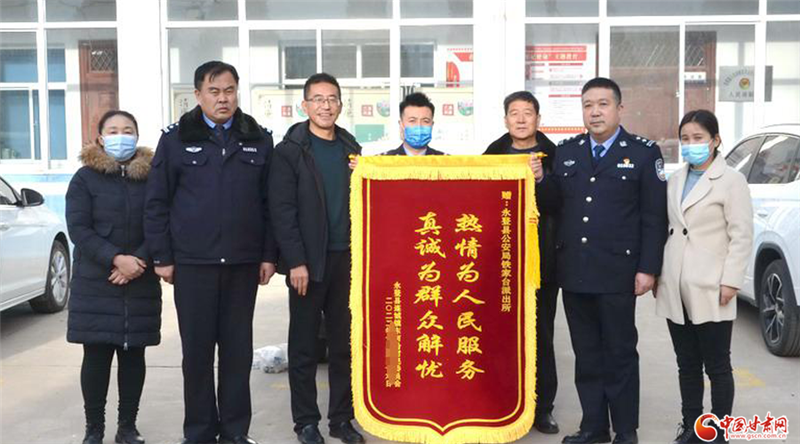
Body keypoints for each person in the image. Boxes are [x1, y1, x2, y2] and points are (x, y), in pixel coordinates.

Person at [144, 61, 277, 444]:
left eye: (229, 90)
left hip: (242, 263)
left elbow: (270, 203)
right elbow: (157, 203)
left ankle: (235, 432)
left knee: (237, 353)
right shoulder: (175, 140)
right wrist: (162, 257)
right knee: (198, 354)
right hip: (193, 264)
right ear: (198, 95)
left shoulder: (258, 138)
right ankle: (200, 432)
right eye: (214, 91)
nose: (223, 99)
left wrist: (268, 255)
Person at [538, 77, 668, 444]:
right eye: (588, 105)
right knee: (587, 354)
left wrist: (648, 268)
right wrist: (541, 180)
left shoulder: (643, 153)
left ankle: (625, 430)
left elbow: (654, 217)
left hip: (618, 272)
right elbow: (555, 204)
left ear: (619, 109)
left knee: (620, 353)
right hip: (575, 271)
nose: (595, 112)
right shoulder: (567, 152)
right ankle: (594, 427)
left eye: (602, 104)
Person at [269, 73, 365, 444]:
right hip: (308, 263)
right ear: (305, 105)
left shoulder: (351, 149)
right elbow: (282, 211)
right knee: (305, 346)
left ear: (341, 104)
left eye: (332, 99)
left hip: (347, 261)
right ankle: (306, 422)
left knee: (344, 345)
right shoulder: (290, 151)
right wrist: (295, 262)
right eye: (318, 99)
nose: (326, 106)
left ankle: (341, 419)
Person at [655, 110, 753, 444]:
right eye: (685, 139)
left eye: (698, 138)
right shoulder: (675, 180)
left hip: (711, 284)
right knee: (686, 364)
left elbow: (741, 235)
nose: (691, 144)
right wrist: (660, 275)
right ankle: (692, 426)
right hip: (675, 283)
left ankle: (718, 432)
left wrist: (731, 281)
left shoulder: (731, 181)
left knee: (717, 365)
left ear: (715, 140)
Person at [66, 110, 162, 444]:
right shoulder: (84, 179)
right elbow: (79, 228)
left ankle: (127, 427)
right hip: (97, 280)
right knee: (96, 357)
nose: (121, 136)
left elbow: (161, 222)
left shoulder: (152, 177)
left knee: (134, 355)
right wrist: (116, 259)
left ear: (137, 136)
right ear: (100, 138)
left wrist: (139, 260)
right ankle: (94, 428)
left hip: (140, 278)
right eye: (113, 130)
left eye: (127, 130)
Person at [484, 90, 560, 434]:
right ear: (505, 120)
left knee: (541, 335)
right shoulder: (491, 155)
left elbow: (561, 202)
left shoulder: (556, 155)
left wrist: (541, 178)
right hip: (500, 263)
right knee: (499, 334)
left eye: (527, 113)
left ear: (538, 119)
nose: (520, 119)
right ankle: (500, 402)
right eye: (514, 113)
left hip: (541, 263)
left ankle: (543, 408)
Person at [380, 92, 445, 156]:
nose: (419, 126)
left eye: (425, 121)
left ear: (432, 125)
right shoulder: (382, 161)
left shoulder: (446, 161)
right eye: (412, 121)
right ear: (401, 124)